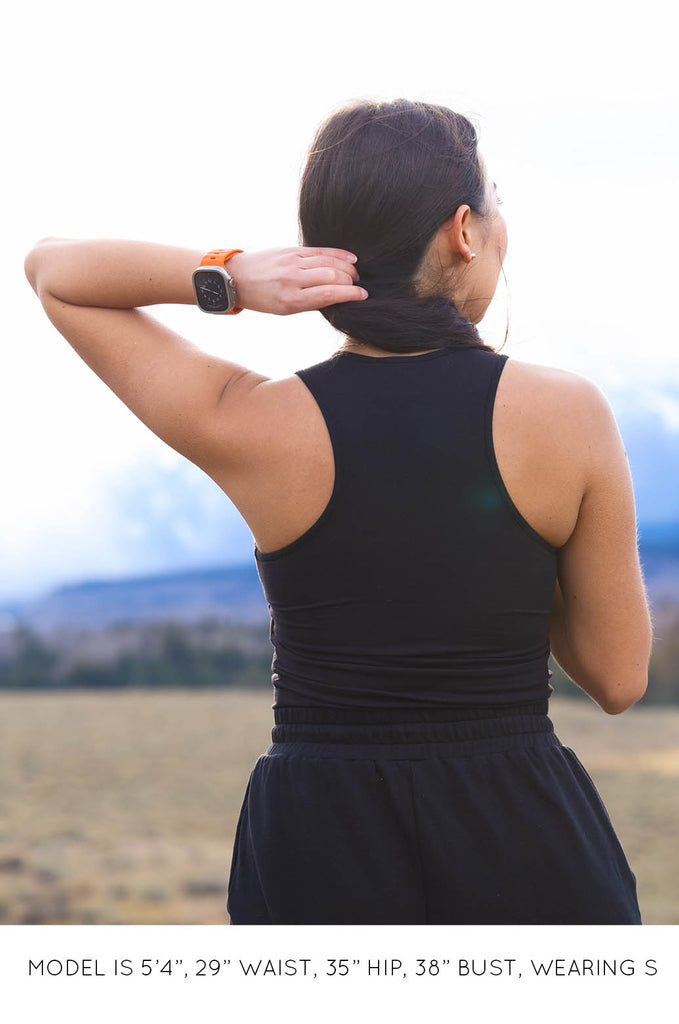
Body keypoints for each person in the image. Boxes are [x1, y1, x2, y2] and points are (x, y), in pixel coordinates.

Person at [24, 97, 652, 925]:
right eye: (495, 200)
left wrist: (228, 274)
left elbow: (53, 271)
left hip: (318, 841)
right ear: (464, 230)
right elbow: (615, 678)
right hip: (519, 828)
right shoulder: (567, 415)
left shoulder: (250, 420)